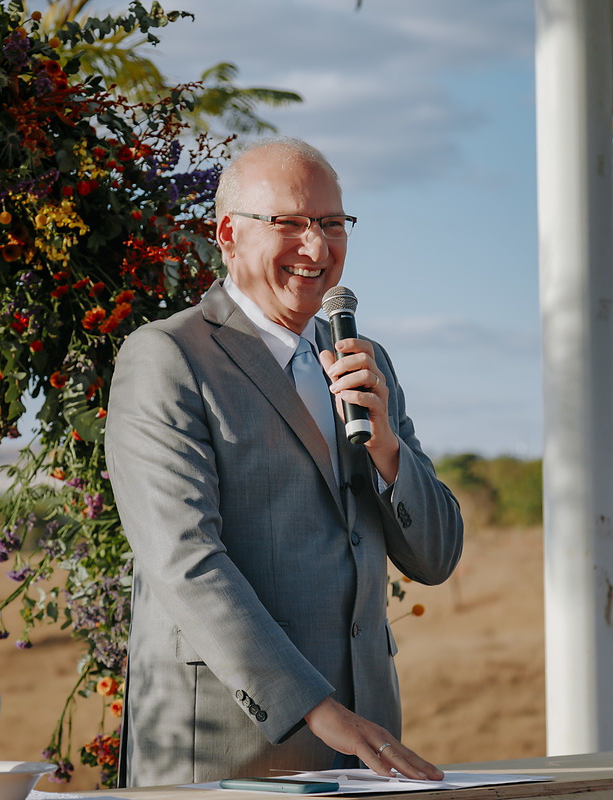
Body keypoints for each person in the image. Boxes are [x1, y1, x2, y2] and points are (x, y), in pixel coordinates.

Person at [104, 137, 464, 787]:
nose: (317, 248)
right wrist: (318, 710)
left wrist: (388, 448)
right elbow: (184, 562)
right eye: (289, 224)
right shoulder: (167, 358)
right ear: (228, 236)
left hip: (366, 748)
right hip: (224, 756)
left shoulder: (367, 362)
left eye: (331, 224)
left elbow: (436, 558)